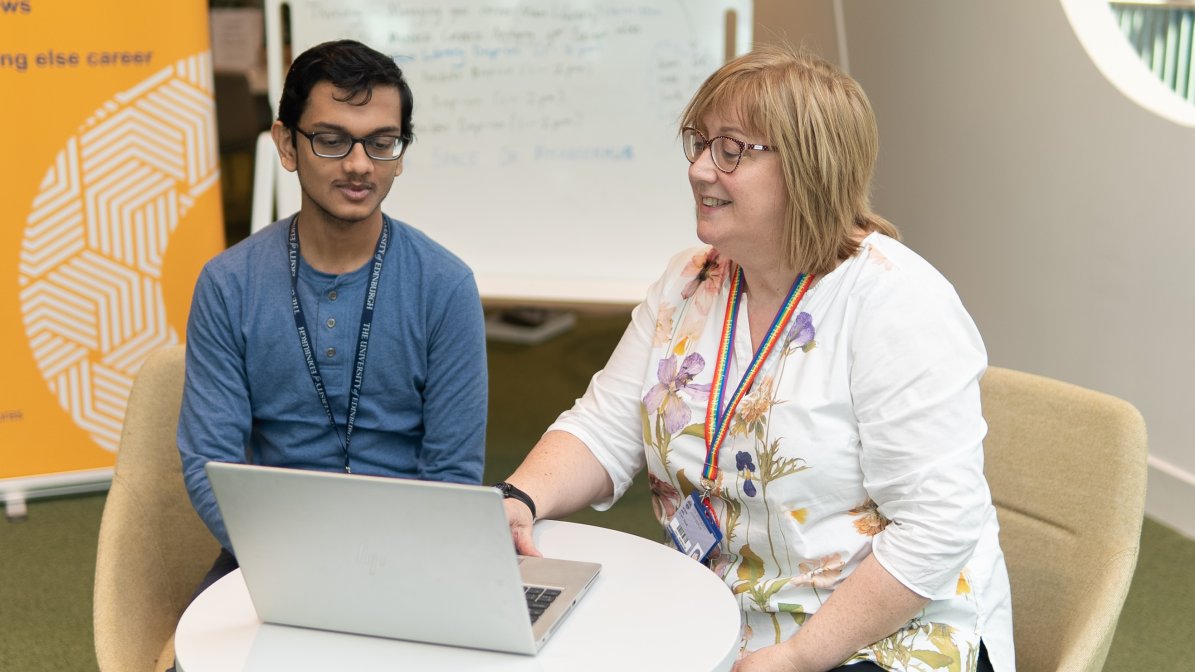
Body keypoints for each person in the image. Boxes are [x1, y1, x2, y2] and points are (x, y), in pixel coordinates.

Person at [495, 45, 1012, 672]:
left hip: (879, 635)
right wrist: (518, 499)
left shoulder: (895, 301)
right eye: (699, 143)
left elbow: (938, 527)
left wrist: (799, 657)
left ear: (809, 168)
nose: (699, 169)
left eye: (732, 150)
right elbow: (603, 428)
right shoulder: (688, 282)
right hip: (715, 614)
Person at [178, 39, 488, 591]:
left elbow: (452, 475)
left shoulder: (445, 287)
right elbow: (211, 465)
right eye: (331, 140)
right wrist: (299, 568)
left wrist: (383, 574)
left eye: (382, 143)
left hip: (408, 556)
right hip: (269, 552)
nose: (359, 165)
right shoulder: (229, 284)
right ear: (287, 144)